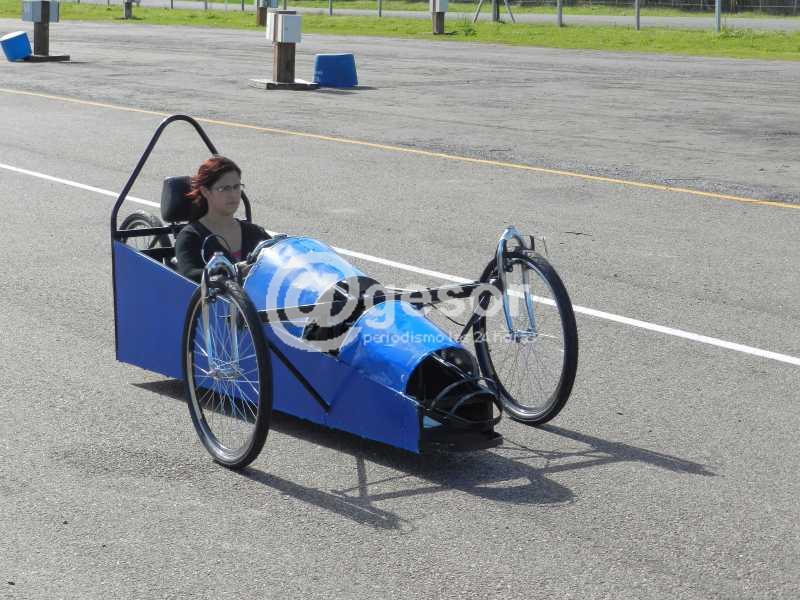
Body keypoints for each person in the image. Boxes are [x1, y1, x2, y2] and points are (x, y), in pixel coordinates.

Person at [175, 155, 270, 282]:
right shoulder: (191, 237)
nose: (233, 194)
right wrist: (234, 271)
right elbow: (189, 276)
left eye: (236, 187)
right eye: (224, 188)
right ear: (205, 191)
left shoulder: (255, 232)